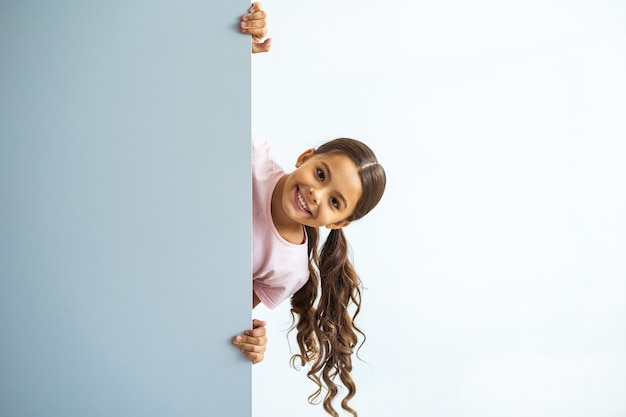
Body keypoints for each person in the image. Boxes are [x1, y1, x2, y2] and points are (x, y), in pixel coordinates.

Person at [233, 4, 387, 417]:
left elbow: (215, 314)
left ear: (339, 222)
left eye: (334, 201)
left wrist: (246, 342)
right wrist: (233, 48)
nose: (316, 194)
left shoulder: (289, 271)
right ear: (305, 157)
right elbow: (199, 99)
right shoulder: (249, 154)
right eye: (320, 173)